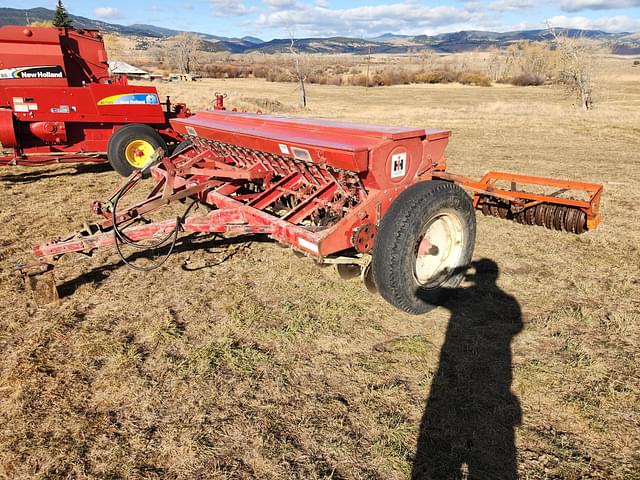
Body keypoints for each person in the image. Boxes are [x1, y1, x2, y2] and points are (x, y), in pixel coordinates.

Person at [412, 259, 523, 480]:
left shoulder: (466, 297)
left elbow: (420, 292)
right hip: (494, 376)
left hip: (467, 369)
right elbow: (517, 326)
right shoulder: (509, 302)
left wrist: (450, 270)